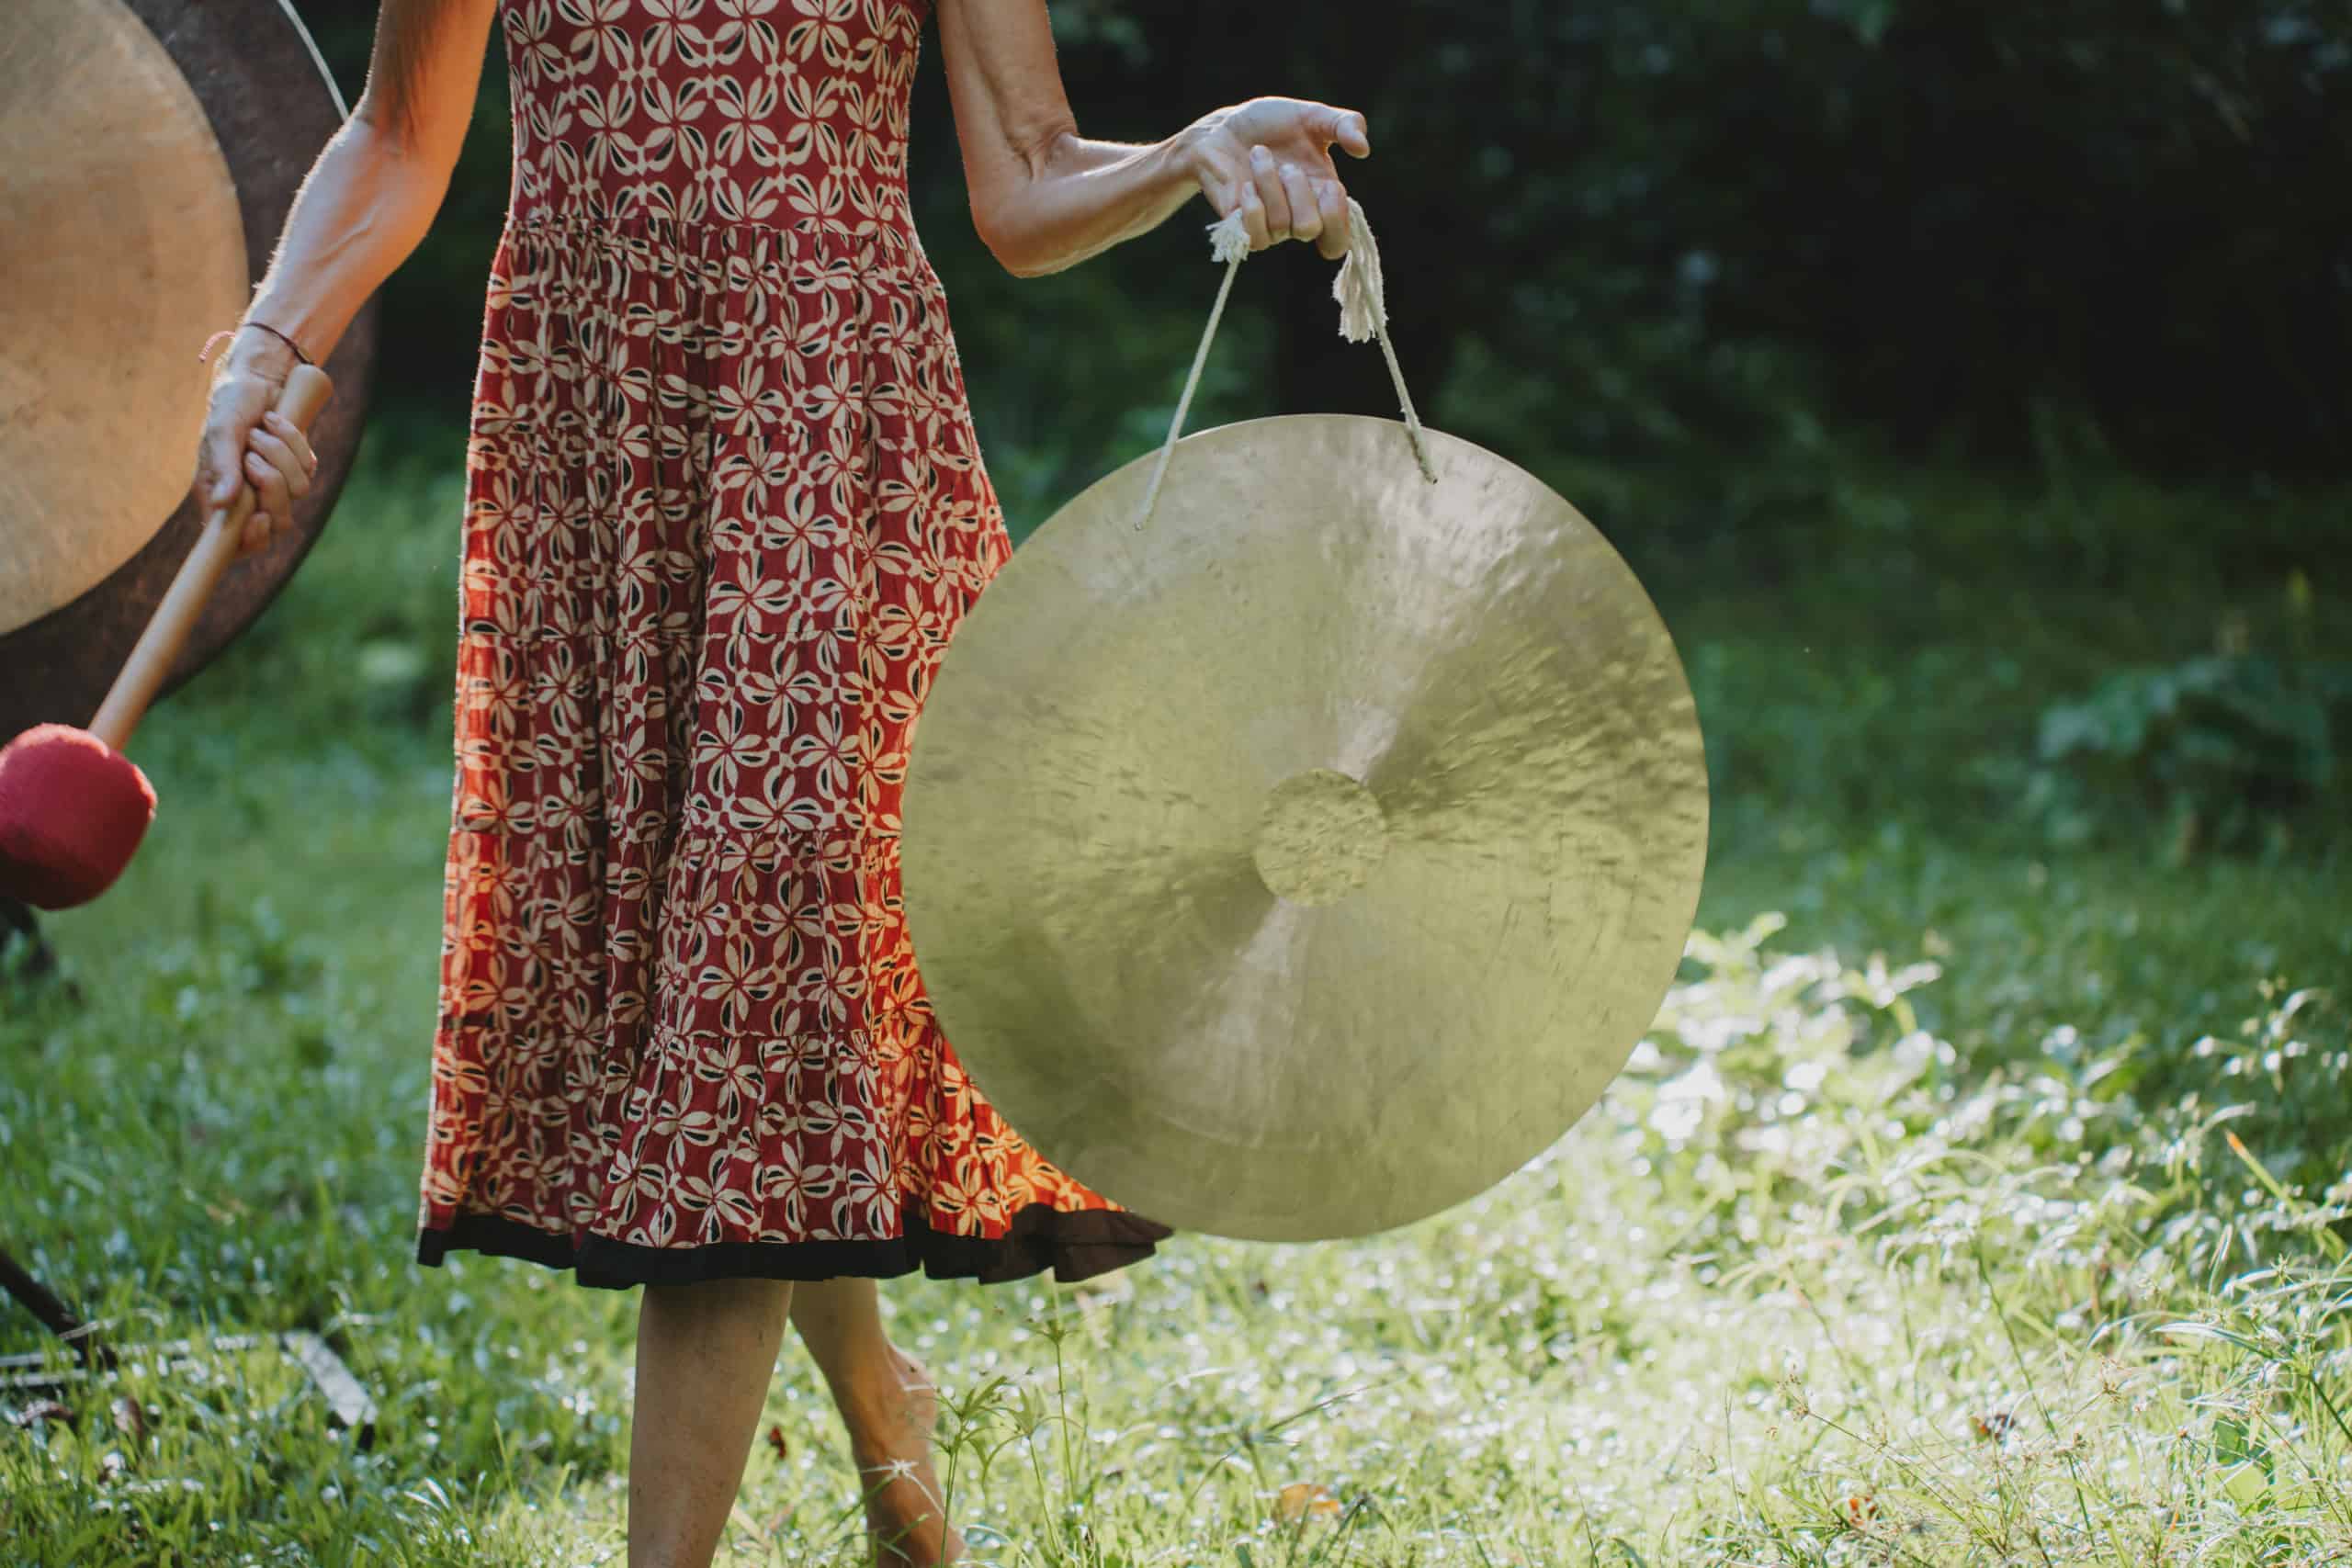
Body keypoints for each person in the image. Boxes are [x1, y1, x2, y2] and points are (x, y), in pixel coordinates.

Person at [192, 3, 1369, 1564]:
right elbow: (401, 138)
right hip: (598, 440)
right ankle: (886, 1402)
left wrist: (1187, 151)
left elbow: (1023, 180)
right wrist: (271, 352)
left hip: (832, 443)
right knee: (760, 997)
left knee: (759, 956)